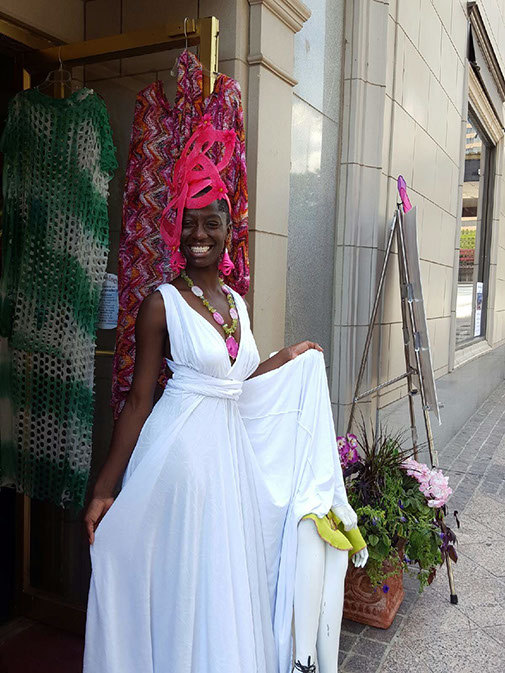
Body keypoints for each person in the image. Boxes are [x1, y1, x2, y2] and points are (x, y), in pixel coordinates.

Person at [82, 120, 366, 673]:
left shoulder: (236, 302)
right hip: (181, 466)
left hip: (228, 468)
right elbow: (138, 402)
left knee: (219, 586)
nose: (199, 235)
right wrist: (104, 488)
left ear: (227, 231)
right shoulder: (161, 303)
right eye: (188, 223)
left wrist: (285, 358)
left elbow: (240, 381)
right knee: (183, 582)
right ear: (175, 230)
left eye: (210, 223)